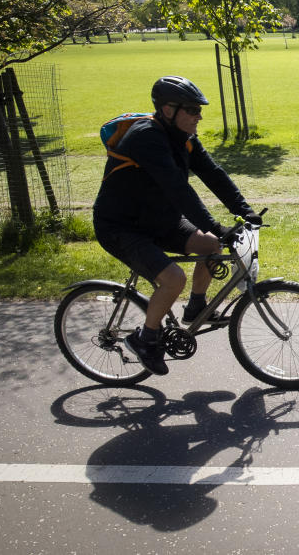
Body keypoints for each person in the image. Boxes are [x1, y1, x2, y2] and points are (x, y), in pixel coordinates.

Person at [93, 76, 261, 375]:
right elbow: (178, 190)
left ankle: (197, 306)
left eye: (199, 110)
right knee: (173, 279)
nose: (199, 116)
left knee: (212, 244)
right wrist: (213, 223)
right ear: (168, 110)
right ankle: (145, 338)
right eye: (193, 110)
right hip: (121, 226)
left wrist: (244, 212)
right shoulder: (146, 137)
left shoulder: (183, 137)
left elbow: (213, 174)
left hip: (160, 220)